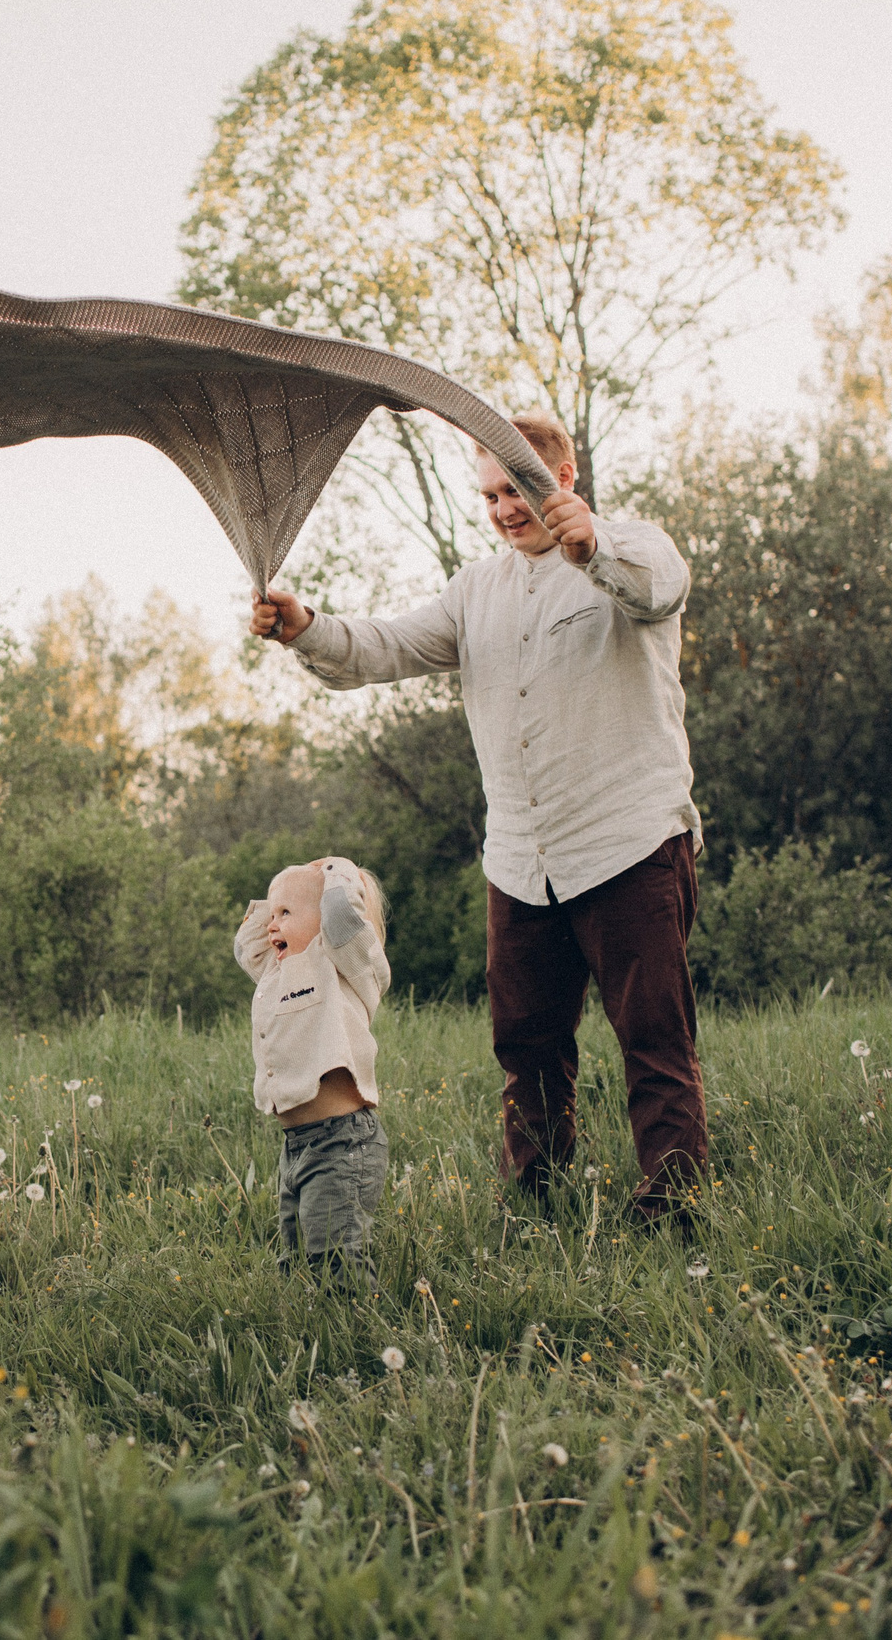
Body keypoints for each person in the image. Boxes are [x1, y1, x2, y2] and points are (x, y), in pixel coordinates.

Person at [248, 413, 708, 1223]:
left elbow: (658, 588)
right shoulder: (476, 589)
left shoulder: (636, 546)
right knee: (525, 1044)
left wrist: (591, 545)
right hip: (521, 861)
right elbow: (386, 645)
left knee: (653, 1037)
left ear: (563, 478)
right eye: (490, 492)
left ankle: (674, 1200)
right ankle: (537, 1194)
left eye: (520, 487)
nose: (503, 507)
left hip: (629, 842)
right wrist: (305, 627)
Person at [235, 858, 392, 1280]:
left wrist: (336, 871)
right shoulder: (275, 972)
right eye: (272, 915)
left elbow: (341, 917)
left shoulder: (344, 963)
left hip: (342, 1142)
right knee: (296, 1264)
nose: (272, 925)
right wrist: (281, 894)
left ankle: (361, 1335)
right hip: (295, 1147)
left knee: (336, 1259)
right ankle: (311, 1339)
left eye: (286, 914)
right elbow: (243, 945)